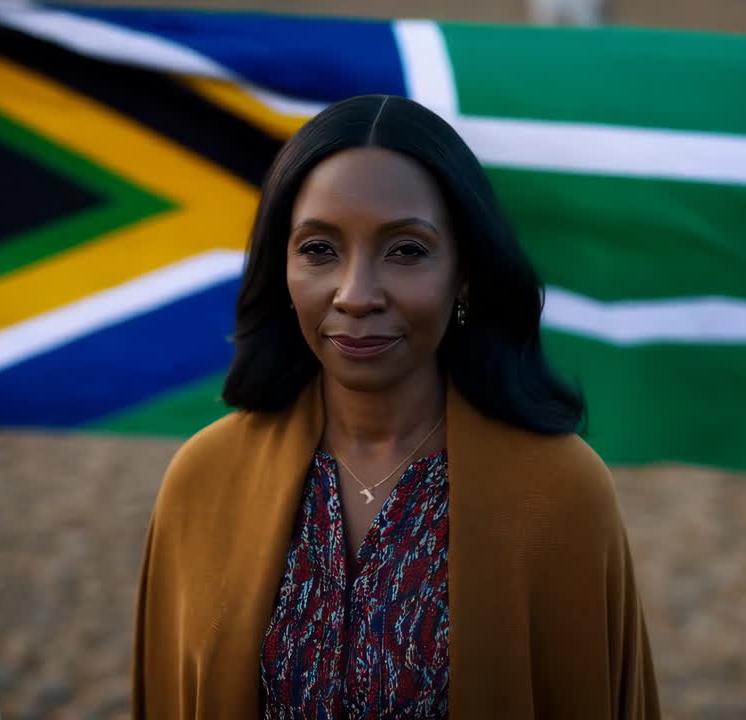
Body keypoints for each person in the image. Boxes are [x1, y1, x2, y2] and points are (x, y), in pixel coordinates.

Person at [133, 94, 659, 719]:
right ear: (282, 268)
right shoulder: (203, 482)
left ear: (464, 272)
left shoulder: (561, 492)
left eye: (406, 250)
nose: (356, 295)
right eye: (319, 249)